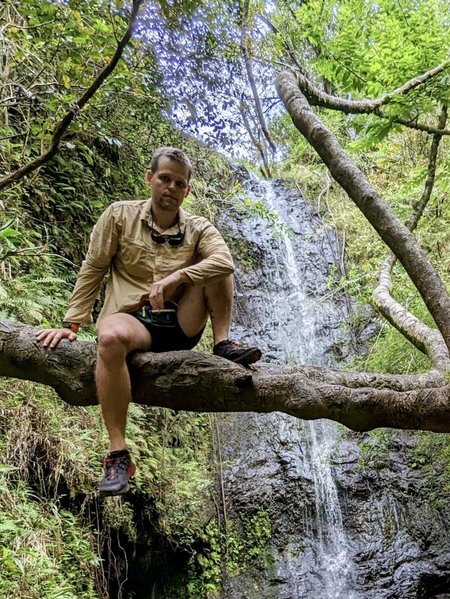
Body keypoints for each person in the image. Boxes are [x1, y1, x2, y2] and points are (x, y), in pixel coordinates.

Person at [36, 146, 261, 496]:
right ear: (150, 179)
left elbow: (225, 263)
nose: (170, 187)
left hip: (182, 323)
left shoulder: (199, 228)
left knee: (217, 267)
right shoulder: (118, 216)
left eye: (179, 183)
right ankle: (118, 454)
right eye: (165, 178)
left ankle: (223, 344)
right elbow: (94, 268)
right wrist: (72, 324)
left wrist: (178, 277)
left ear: (187, 190)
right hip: (133, 320)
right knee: (108, 338)